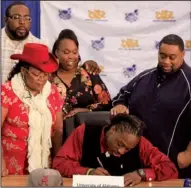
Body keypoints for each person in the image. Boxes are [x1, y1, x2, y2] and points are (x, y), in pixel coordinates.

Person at [111, 34, 191, 178]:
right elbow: (122, 95)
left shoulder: (189, 82)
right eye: (162, 56)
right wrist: (121, 105)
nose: (166, 61)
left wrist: (187, 156)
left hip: (170, 164)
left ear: (183, 54)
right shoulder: (144, 77)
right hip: (136, 162)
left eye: (172, 57)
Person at [52, 114, 178, 186]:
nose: (121, 151)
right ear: (113, 130)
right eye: (120, 144)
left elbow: (169, 168)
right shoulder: (84, 132)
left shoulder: (141, 143)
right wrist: (88, 171)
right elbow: (59, 164)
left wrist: (141, 174)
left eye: (128, 149)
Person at [1, 43, 63, 176]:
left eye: (46, 75)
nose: (42, 79)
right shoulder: (6, 92)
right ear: (23, 71)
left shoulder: (52, 92)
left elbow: (58, 130)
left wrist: (58, 163)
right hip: (9, 169)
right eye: (36, 74)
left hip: (45, 169)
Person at [1, 2, 101, 83]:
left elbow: (64, 67)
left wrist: (86, 65)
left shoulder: (41, 46)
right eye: (17, 17)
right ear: (6, 20)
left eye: (27, 18)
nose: (22, 22)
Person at [49, 29, 111, 119]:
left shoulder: (89, 73)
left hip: (88, 130)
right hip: (56, 130)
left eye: (75, 52)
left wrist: (85, 111)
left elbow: (107, 105)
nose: (71, 56)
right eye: (66, 52)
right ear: (56, 52)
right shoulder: (48, 77)